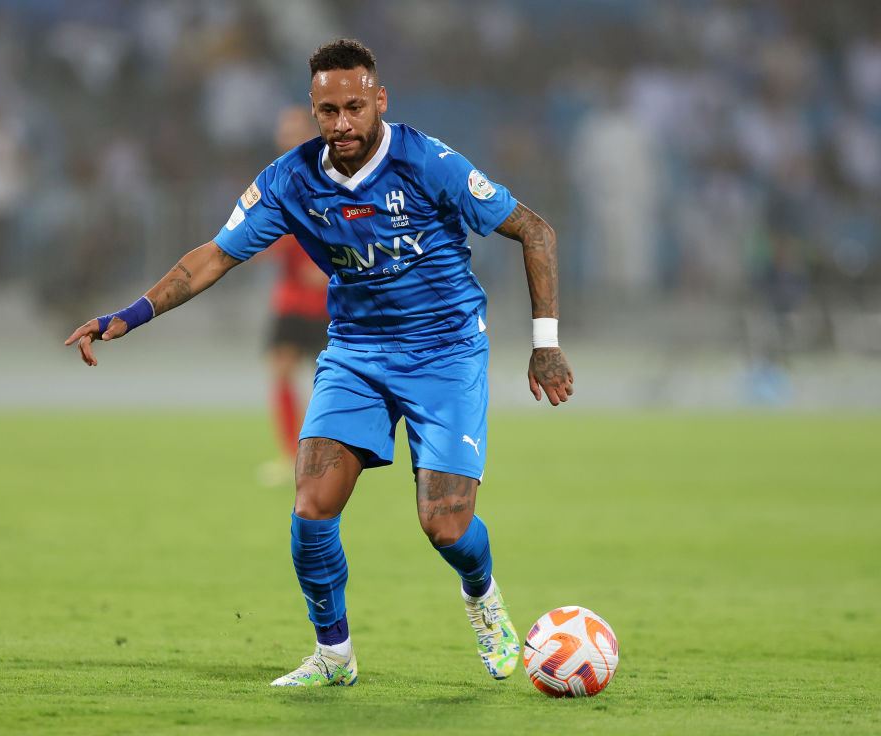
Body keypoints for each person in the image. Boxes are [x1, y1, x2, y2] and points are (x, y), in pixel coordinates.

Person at [66, 39, 573, 687]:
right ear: (313, 109)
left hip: (445, 354)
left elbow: (536, 230)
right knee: (311, 508)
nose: (342, 123)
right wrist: (126, 316)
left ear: (379, 101)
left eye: (355, 107)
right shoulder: (290, 180)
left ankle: (482, 597)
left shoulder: (429, 163)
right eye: (328, 110)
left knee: (445, 525)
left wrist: (547, 342)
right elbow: (214, 256)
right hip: (357, 353)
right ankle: (334, 655)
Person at [260, 105, 331, 482]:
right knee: (282, 369)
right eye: (283, 130)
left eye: (294, 130)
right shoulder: (274, 182)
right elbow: (263, 239)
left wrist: (329, 265)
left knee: (334, 380)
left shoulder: (333, 175)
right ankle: (292, 457)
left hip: (330, 299)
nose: (287, 137)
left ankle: (332, 455)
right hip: (291, 300)